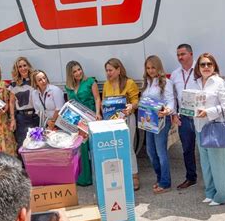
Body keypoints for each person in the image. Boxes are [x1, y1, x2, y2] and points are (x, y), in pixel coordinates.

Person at [193, 53, 225, 206]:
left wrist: (208, 112)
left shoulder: (219, 83)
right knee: (206, 163)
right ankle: (210, 192)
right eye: (202, 64)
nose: (206, 67)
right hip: (199, 128)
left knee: (219, 164)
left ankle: (221, 196)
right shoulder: (196, 83)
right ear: (198, 67)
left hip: (215, 127)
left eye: (209, 64)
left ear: (214, 66)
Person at [102, 58, 140, 190]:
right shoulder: (106, 85)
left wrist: (131, 106)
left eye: (111, 70)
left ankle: (134, 176)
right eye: (106, 70)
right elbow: (104, 102)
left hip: (127, 119)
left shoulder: (129, 83)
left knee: (128, 147)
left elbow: (136, 101)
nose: (108, 73)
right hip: (112, 122)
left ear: (118, 70)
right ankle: (120, 176)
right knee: (115, 148)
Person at [141, 55, 175, 194]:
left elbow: (170, 100)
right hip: (148, 121)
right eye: (148, 68)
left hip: (161, 120)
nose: (150, 70)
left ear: (158, 67)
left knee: (161, 152)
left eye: (153, 67)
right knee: (150, 151)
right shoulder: (146, 82)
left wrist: (167, 110)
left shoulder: (165, 82)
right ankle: (159, 177)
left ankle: (165, 182)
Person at [65, 61, 102, 186]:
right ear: (70, 74)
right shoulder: (68, 87)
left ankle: (98, 176)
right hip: (78, 120)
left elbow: (97, 98)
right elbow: (70, 103)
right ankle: (85, 178)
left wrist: (98, 113)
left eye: (79, 69)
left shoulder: (90, 81)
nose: (78, 73)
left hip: (91, 116)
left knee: (94, 147)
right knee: (82, 148)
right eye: (74, 71)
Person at [170, 44, 199, 189]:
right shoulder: (175, 74)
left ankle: (211, 178)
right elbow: (172, 97)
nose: (180, 57)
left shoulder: (200, 70)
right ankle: (191, 177)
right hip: (184, 117)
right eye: (178, 55)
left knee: (206, 149)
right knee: (187, 149)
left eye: (183, 54)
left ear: (191, 54)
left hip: (200, 116)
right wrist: (174, 114)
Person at [9, 57, 40, 151]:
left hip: (36, 116)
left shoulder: (35, 80)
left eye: (24, 65)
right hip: (22, 118)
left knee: (38, 142)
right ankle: (24, 165)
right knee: (23, 143)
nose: (23, 68)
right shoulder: (14, 84)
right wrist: (13, 119)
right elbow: (11, 102)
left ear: (28, 66)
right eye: (20, 66)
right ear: (17, 69)